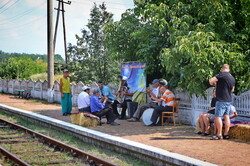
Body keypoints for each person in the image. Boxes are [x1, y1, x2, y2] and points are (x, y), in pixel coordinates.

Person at [209, 64, 235, 140]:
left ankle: (219, 134)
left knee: (218, 117)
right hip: (229, 100)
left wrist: (214, 84)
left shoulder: (221, 75)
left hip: (221, 99)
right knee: (226, 116)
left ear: (222, 69)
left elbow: (211, 81)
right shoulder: (232, 78)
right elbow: (232, 90)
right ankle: (226, 134)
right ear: (229, 69)